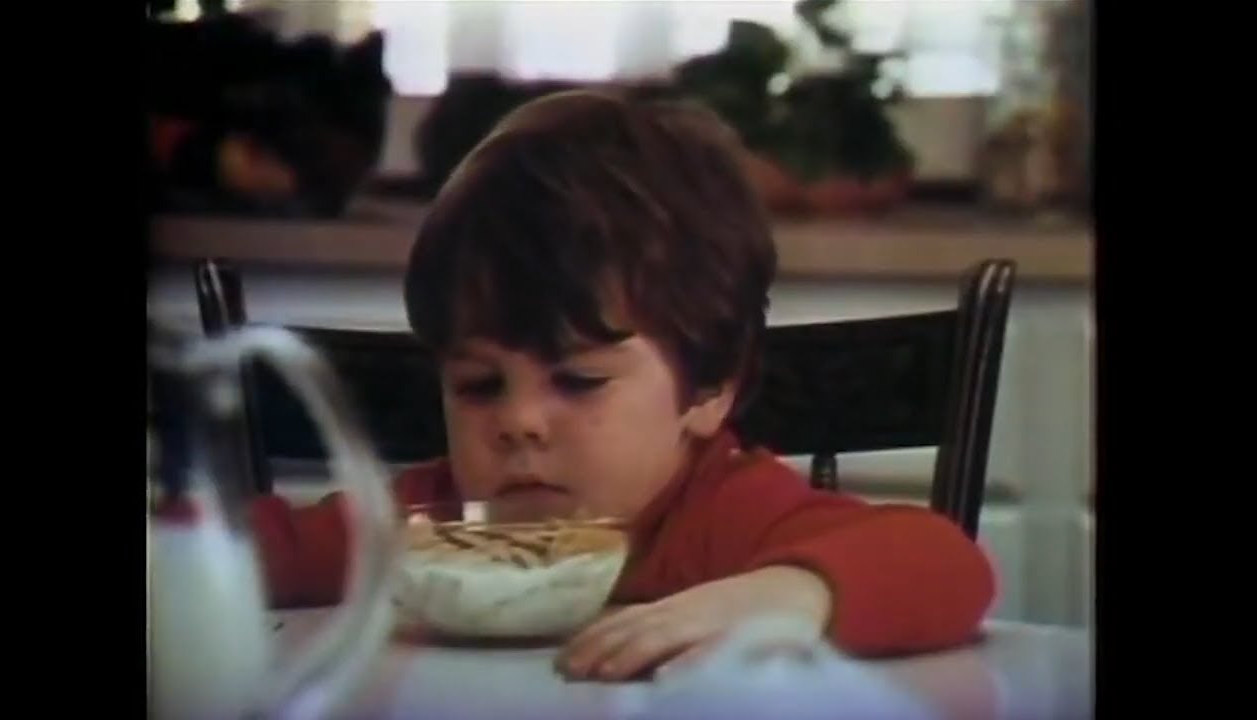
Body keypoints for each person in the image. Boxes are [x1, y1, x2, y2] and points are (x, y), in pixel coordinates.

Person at [249, 89, 995, 682]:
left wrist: (788, 595)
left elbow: (947, 564)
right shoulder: (428, 528)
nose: (519, 421)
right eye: (479, 385)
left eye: (578, 380)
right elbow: (240, 551)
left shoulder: (724, 515)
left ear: (708, 389)